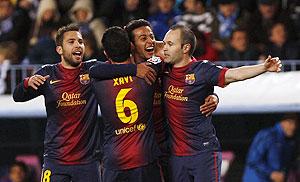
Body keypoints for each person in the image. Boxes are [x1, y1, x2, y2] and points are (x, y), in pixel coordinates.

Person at [90, 19, 219, 182]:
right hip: (145, 153)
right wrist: (135, 69)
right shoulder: (116, 70)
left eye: (152, 36)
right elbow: (95, 70)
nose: (151, 41)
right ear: (131, 45)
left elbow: (194, 74)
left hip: (167, 146)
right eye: (143, 38)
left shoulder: (164, 63)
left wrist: (212, 95)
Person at [162, 24, 281, 182]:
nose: (164, 48)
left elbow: (234, 74)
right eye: (164, 43)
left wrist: (263, 67)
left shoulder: (202, 70)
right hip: (176, 156)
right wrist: (214, 97)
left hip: (203, 153)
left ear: (185, 48)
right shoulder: (162, 69)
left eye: (170, 44)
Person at [13, 23, 102, 182]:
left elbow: (118, 66)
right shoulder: (48, 73)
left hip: (88, 162)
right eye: (71, 41)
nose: (78, 45)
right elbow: (17, 96)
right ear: (59, 50)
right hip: (55, 161)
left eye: (80, 41)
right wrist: (27, 83)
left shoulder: (92, 69)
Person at [92, 26, 162, 182]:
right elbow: (161, 52)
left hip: (114, 161)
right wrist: (135, 68)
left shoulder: (99, 80)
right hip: (144, 159)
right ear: (131, 46)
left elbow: (94, 70)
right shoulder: (150, 71)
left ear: (106, 54)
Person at [243, 113, 298, 182]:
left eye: (296, 123)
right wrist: (271, 173)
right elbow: (253, 160)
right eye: (290, 122)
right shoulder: (268, 135)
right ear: (282, 121)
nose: (294, 126)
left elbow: (287, 164)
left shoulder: (290, 142)